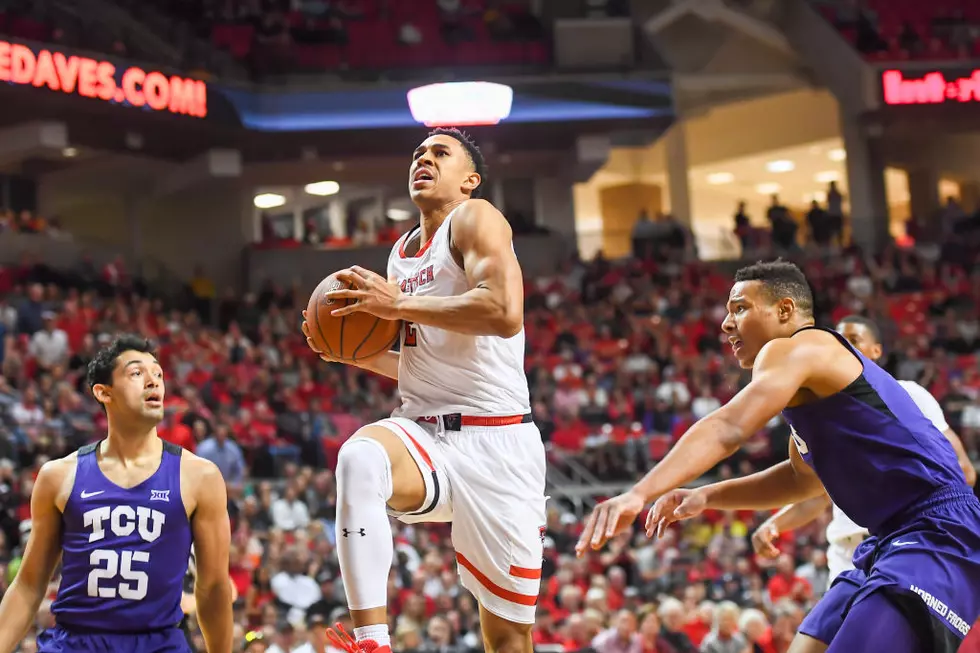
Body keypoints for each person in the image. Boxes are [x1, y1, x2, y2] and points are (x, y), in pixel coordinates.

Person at [577, 260, 980, 653]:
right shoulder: (807, 397)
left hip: (936, 532)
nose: (726, 323)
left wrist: (639, 492)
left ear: (785, 310)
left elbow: (729, 427)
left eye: (740, 308)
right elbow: (802, 479)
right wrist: (707, 496)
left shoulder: (799, 347)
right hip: (889, 538)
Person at [302, 128, 546, 653]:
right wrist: (355, 354)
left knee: (506, 636)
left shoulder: (476, 218)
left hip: (497, 442)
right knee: (360, 458)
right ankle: (371, 640)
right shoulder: (400, 254)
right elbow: (420, 365)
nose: (424, 160)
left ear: (470, 180)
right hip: (424, 434)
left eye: (441, 154)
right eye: (418, 153)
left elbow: (504, 314)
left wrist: (396, 308)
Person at [0, 335, 234, 653]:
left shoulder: (200, 476)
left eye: (159, 374)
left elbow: (215, 588)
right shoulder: (59, 476)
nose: (153, 381)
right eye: (137, 373)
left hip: (159, 643)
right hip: (76, 642)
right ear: (103, 392)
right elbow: (29, 585)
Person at [752, 315, 977, 582]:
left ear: (877, 351)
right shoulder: (821, 414)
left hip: (899, 541)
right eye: (839, 341)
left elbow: (964, 470)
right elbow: (818, 493)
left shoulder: (906, 394)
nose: (843, 347)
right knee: (826, 625)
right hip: (846, 554)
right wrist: (775, 524)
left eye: (854, 340)